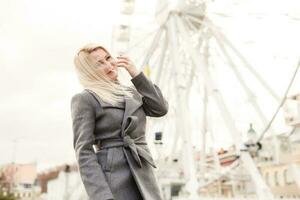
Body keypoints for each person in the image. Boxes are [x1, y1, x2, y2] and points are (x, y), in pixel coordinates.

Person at [70, 43, 168, 200]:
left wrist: (136, 74)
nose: (108, 65)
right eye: (99, 64)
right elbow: (84, 151)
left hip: (143, 172)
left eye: (108, 58)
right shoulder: (85, 99)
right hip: (113, 180)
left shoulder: (132, 93)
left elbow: (160, 108)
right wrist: (102, 196)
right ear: (89, 71)